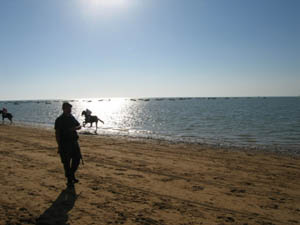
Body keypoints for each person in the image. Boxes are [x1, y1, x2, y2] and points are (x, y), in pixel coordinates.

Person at [55, 102, 82, 187]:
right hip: (64, 144)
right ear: (63, 109)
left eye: (70, 108)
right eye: (68, 108)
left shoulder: (71, 117)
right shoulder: (59, 119)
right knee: (66, 163)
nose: (70, 110)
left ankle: (71, 175)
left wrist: (75, 128)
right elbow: (57, 133)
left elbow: (79, 126)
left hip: (74, 142)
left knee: (77, 160)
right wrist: (59, 145)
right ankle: (69, 179)